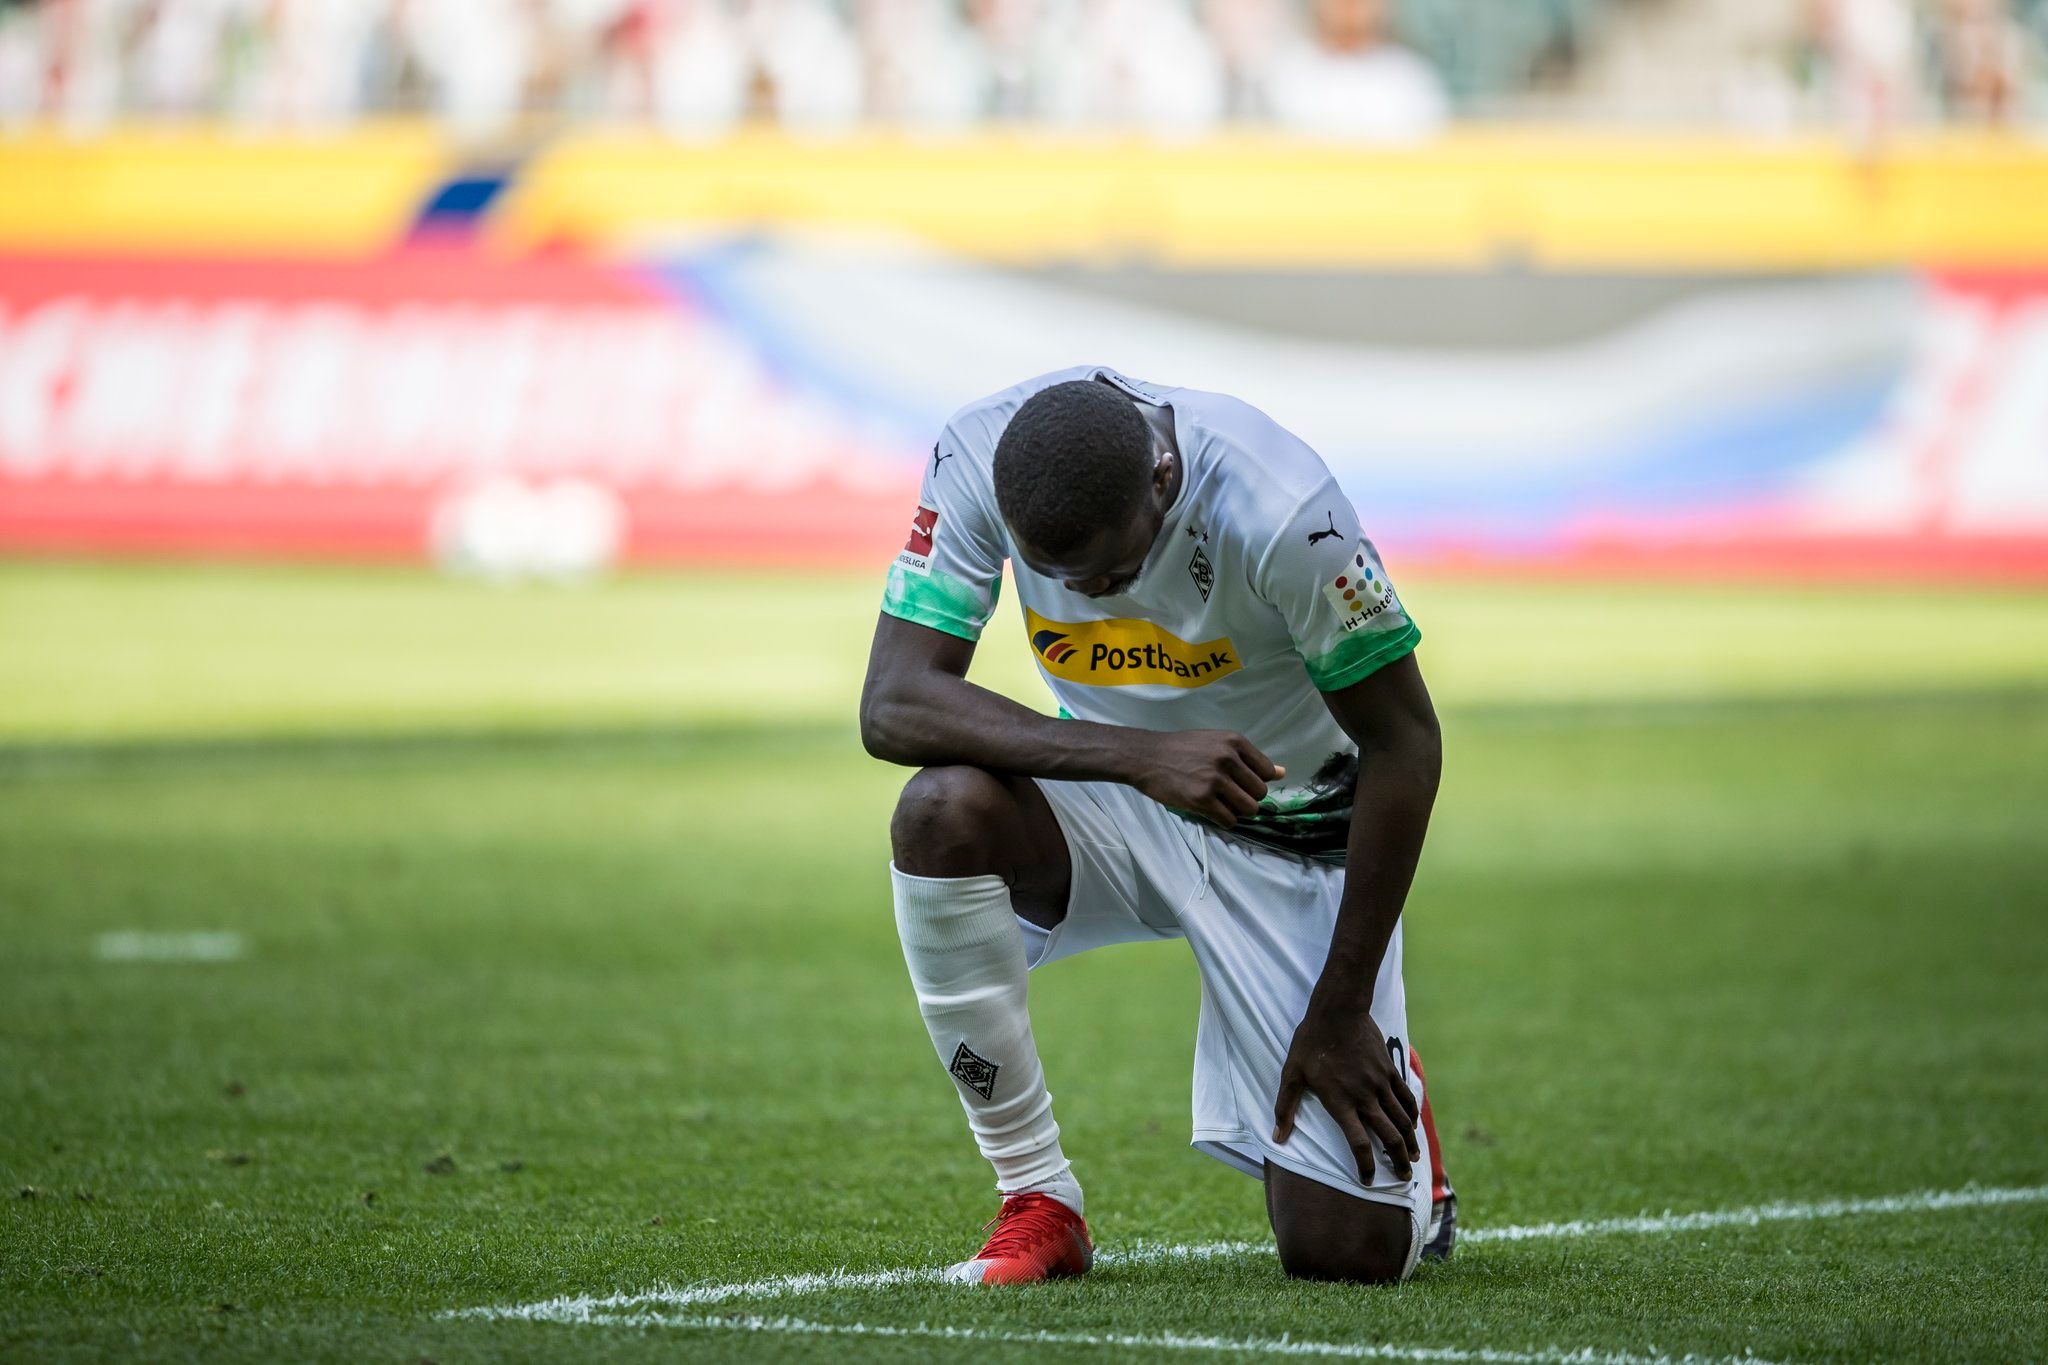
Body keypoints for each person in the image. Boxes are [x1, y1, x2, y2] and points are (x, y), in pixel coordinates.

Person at [859, 368, 1455, 1286]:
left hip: (1287, 826)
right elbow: (893, 704)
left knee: (1345, 1254)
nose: (1090, 593)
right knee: (942, 813)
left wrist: (1339, 1009)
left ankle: (1388, 1065)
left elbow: (1406, 743)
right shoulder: (977, 456)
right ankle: (1038, 1197)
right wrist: (1138, 757)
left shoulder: (1281, 505)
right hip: (1119, 794)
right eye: (1060, 578)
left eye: (1113, 569)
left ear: (1164, 479)